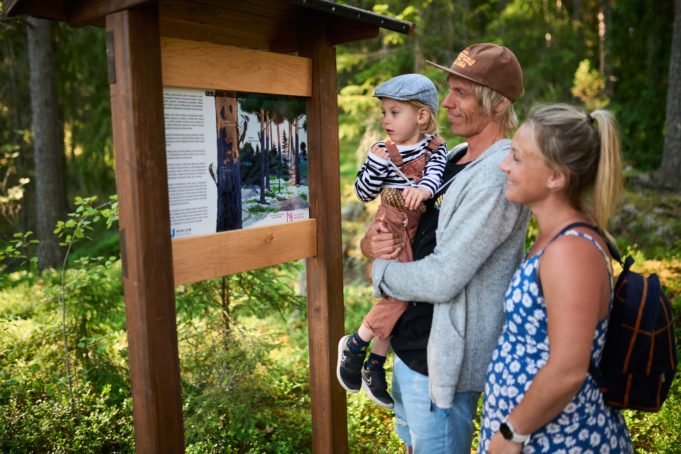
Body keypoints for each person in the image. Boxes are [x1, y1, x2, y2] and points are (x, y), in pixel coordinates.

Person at [361, 44, 530, 453]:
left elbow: (444, 277)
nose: (447, 102)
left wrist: (378, 273)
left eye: (461, 93)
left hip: (442, 365)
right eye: (449, 89)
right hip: (409, 347)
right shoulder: (453, 157)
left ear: (495, 103)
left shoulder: (496, 174)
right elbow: (400, 215)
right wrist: (371, 243)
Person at [478, 104, 633, 453]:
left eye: (517, 158)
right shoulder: (554, 238)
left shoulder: (570, 252)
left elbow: (568, 368)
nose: (505, 166)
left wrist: (510, 434)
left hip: (560, 439)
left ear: (556, 177)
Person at [337, 73, 448, 409]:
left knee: (399, 298)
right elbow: (363, 192)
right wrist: (376, 165)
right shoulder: (382, 151)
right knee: (399, 296)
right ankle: (356, 346)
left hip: (417, 227)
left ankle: (373, 364)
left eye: (394, 112)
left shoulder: (435, 148)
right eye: (384, 112)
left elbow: (434, 177)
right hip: (391, 224)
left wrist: (424, 190)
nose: (386, 119)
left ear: (422, 116)